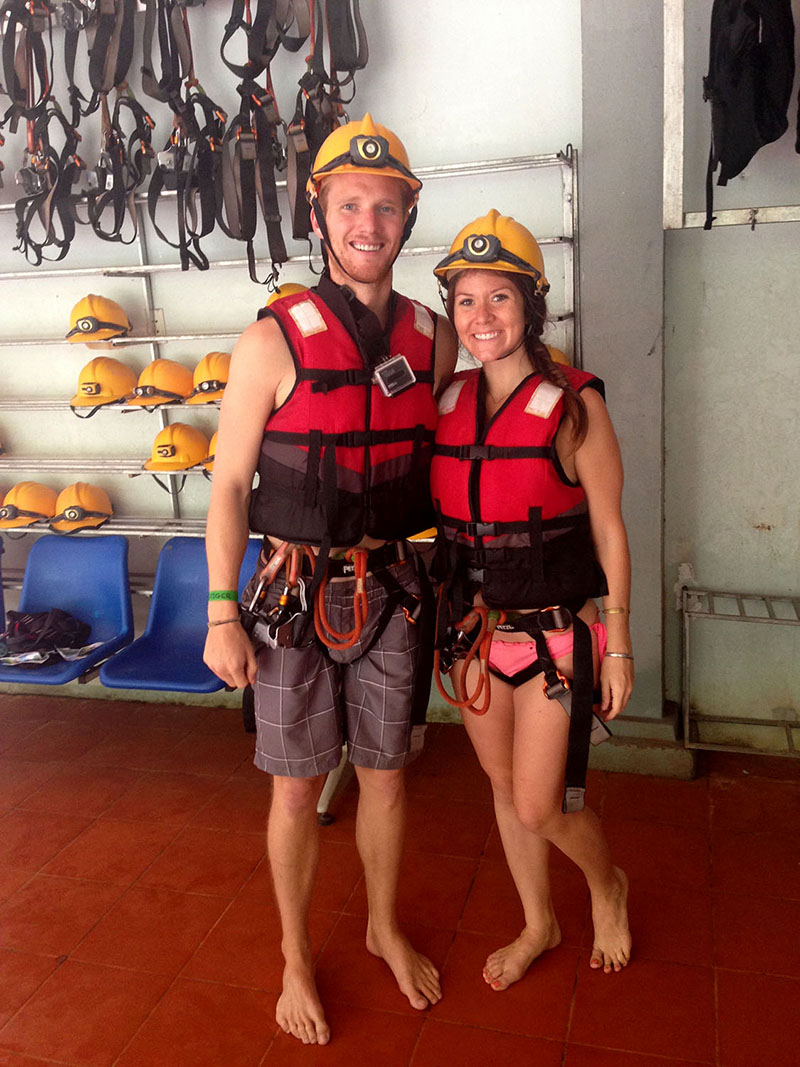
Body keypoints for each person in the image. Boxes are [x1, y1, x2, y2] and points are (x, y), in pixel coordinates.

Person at [203, 114, 457, 1045]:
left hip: (394, 589)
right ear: (320, 214)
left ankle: (385, 927)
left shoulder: (433, 339)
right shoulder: (272, 339)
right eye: (350, 203)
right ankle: (296, 953)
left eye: (386, 206)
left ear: (406, 217)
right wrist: (220, 611)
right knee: (292, 785)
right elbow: (228, 484)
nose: (369, 221)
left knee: (387, 778)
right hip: (288, 598)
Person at [429, 210, 634, 988]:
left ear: (532, 305)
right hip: (477, 637)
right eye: (466, 301)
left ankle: (605, 884)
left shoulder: (576, 406)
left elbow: (611, 532)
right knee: (506, 795)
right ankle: (538, 922)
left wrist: (618, 641)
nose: (482, 318)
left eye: (500, 298)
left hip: (557, 638)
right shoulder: (446, 405)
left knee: (542, 803)